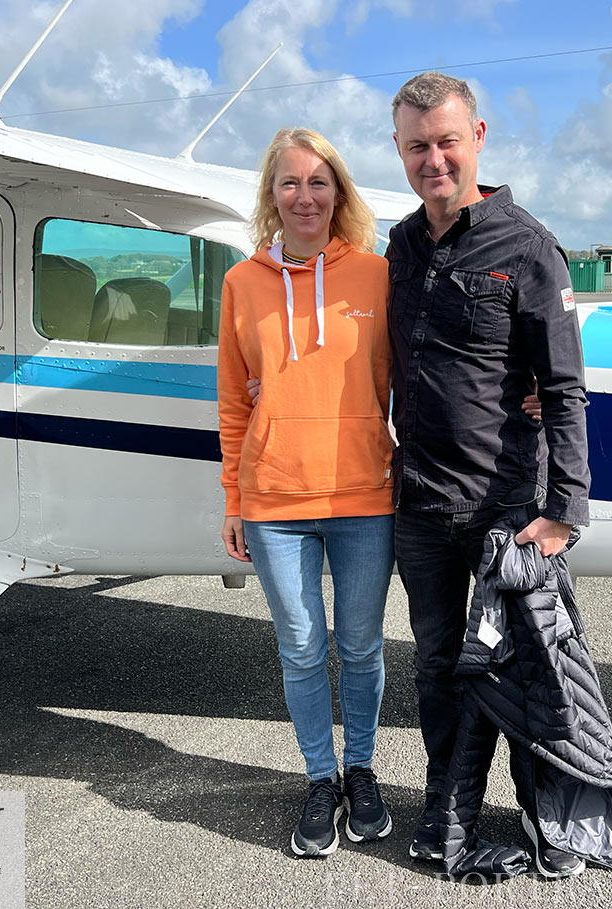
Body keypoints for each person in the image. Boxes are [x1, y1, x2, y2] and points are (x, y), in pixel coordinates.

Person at [386, 72, 591, 875]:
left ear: (478, 137)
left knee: (525, 662)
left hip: (506, 505)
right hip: (421, 503)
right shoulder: (400, 245)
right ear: (398, 150)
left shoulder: (528, 246)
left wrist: (563, 508)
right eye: (416, 145)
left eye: (446, 140)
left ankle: (552, 816)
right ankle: (448, 807)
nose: (433, 158)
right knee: (437, 663)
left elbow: (566, 387)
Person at [216, 127, 395, 858]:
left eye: (320, 182)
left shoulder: (378, 276)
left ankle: (362, 768)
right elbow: (233, 401)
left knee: (361, 646)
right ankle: (321, 777)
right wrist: (234, 493)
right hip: (275, 502)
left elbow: (420, 376)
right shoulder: (240, 284)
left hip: (363, 493)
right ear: (271, 195)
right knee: (300, 647)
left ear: (340, 194)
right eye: (290, 183)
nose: (305, 196)